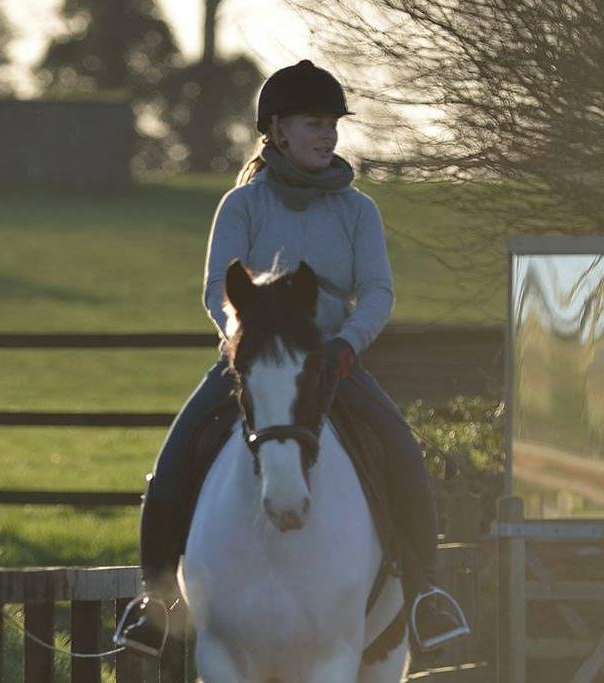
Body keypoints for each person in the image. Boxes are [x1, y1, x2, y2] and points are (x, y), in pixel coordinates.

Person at [113, 59, 469, 656]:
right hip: (255, 366)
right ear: (277, 130)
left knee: (403, 450)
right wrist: (249, 344)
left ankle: (426, 595)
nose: (327, 134)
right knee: (173, 459)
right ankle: (157, 602)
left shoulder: (359, 211)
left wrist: (348, 343)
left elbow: (377, 290)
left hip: (333, 361)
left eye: (332, 124)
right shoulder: (241, 205)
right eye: (313, 124)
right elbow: (213, 289)